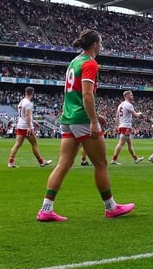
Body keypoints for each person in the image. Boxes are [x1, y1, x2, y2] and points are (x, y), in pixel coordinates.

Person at [36, 29, 134, 222]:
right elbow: (86, 94)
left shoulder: (74, 62)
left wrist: (96, 115)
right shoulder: (90, 63)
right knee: (101, 163)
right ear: (95, 44)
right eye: (101, 42)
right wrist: (94, 121)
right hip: (81, 119)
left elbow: (74, 94)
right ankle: (111, 207)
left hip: (68, 118)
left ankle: (46, 209)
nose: (102, 45)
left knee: (64, 164)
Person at [8, 86, 52, 168]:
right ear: (32, 93)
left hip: (20, 125)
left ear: (25, 92)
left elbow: (24, 115)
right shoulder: (28, 103)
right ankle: (41, 161)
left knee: (17, 144)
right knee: (34, 144)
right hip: (26, 126)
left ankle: (10, 162)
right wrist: (29, 127)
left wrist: (34, 121)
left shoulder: (21, 102)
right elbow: (27, 115)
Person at [110, 91, 145, 165]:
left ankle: (135, 159)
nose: (132, 96)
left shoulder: (120, 105)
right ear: (126, 96)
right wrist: (140, 113)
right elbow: (135, 115)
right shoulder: (128, 104)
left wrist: (116, 126)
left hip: (122, 125)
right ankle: (114, 159)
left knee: (129, 144)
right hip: (126, 126)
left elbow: (117, 117)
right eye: (131, 95)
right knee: (121, 143)